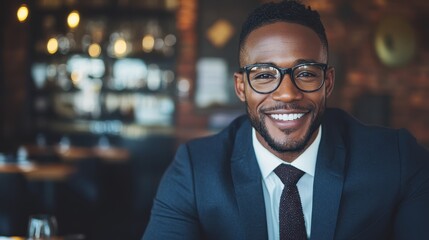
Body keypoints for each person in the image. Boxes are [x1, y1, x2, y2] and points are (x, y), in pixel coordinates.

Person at [142, 1, 429, 239]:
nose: (288, 94)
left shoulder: (395, 159)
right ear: (241, 87)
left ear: (327, 82)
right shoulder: (195, 171)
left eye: (305, 73)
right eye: (265, 75)